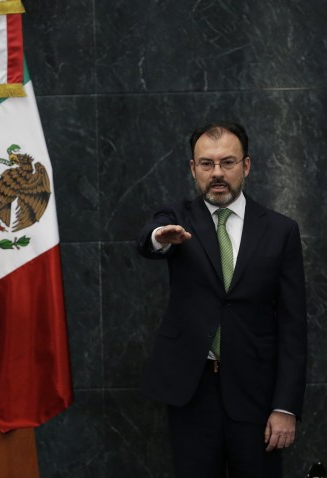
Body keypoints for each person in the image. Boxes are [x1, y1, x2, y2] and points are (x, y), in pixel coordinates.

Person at [136, 122, 307, 477]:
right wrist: (159, 237)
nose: (217, 173)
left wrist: (285, 407)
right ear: (192, 168)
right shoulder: (177, 219)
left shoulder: (281, 230)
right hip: (192, 390)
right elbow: (150, 238)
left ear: (246, 166)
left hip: (257, 393)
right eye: (206, 164)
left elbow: (293, 325)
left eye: (227, 163)